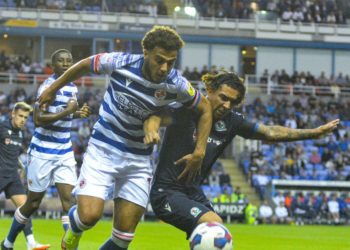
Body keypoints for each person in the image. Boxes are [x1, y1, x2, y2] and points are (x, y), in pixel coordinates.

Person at [37, 26, 212, 250]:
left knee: (123, 237)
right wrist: (53, 89)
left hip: (138, 159)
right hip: (103, 149)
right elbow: (83, 65)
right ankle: (75, 228)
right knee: (89, 217)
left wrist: (199, 151)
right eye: (159, 60)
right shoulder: (120, 62)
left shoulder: (176, 84)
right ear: (145, 52)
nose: (164, 68)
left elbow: (205, 109)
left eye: (171, 61)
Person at [146, 71, 339, 239]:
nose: (227, 105)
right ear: (210, 90)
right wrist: (152, 130)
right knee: (214, 226)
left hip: (192, 192)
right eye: (223, 97)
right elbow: (156, 115)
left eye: (233, 101)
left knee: (217, 235)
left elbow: (270, 132)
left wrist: (314, 133)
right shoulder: (187, 109)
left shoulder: (232, 121)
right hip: (166, 192)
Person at [2, 49, 91, 250]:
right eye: (61, 61)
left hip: (64, 150)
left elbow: (61, 114)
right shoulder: (48, 87)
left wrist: (76, 114)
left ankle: (70, 247)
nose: (67, 64)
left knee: (69, 201)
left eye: (69, 60)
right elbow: (38, 119)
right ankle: (7, 242)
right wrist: (68, 111)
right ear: (53, 65)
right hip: (42, 151)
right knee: (33, 203)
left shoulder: (72, 87)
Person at [0, 102, 50, 250]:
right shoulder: (2, 127)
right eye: (20, 116)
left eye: (26, 117)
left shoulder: (21, 133)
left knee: (24, 209)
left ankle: (31, 243)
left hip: (13, 176)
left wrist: (21, 168)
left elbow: (12, 154)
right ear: (13, 115)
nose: (23, 120)